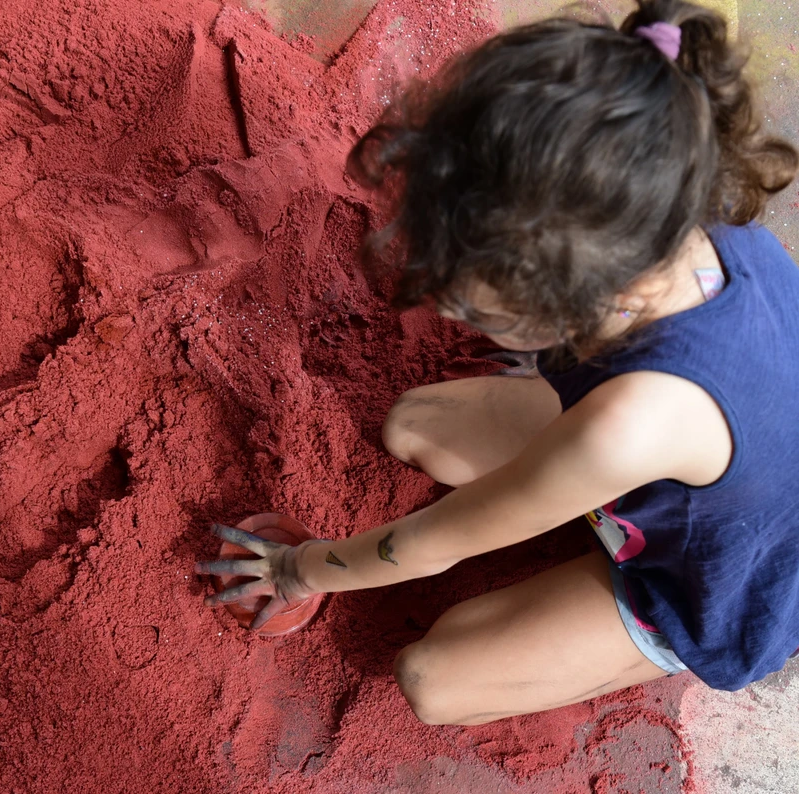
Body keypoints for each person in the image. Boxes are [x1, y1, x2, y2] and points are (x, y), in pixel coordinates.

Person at [195, 0, 799, 726]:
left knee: (432, 676)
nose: (451, 313)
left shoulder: (631, 425)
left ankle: (649, 634)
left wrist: (299, 569)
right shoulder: (664, 214)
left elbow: (427, 544)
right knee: (415, 425)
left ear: (581, 295)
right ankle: (588, 496)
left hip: (722, 577)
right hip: (702, 451)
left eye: (484, 308)